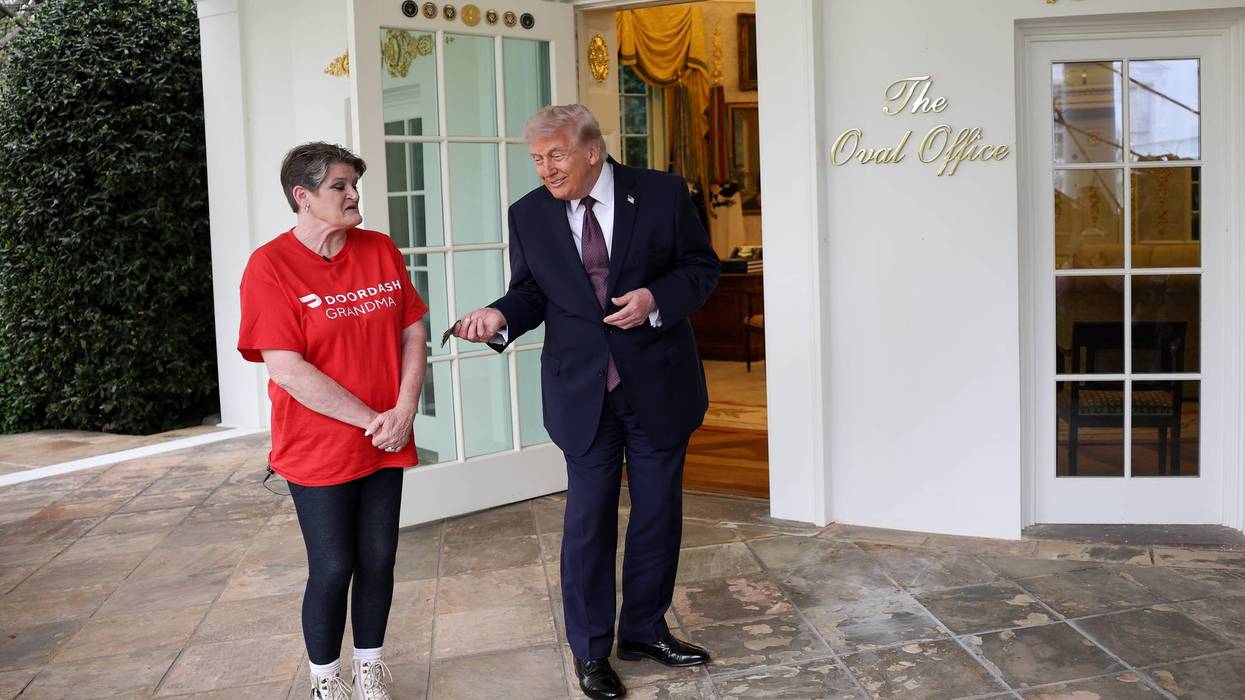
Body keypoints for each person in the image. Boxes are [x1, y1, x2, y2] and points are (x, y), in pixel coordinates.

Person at [453, 105, 721, 700]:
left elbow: (701, 267)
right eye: (537, 159)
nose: (545, 170)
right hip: (582, 391)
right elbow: (530, 291)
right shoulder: (529, 213)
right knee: (588, 522)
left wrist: (655, 298)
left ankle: (646, 631)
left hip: (658, 382)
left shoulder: (662, 193)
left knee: (657, 515)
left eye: (556, 156)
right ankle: (592, 652)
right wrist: (500, 315)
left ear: (592, 150)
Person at [238, 142, 429, 700]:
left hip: (387, 435)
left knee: (380, 557)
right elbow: (289, 370)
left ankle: (370, 669)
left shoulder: (378, 249)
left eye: (354, 184)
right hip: (318, 445)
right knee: (333, 565)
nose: (353, 195)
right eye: (339, 187)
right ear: (303, 197)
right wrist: (376, 419)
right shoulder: (269, 267)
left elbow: (412, 329)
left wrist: (405, 410)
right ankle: (326, 681)